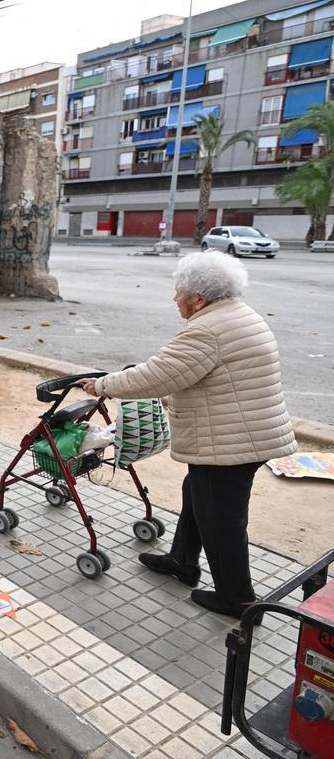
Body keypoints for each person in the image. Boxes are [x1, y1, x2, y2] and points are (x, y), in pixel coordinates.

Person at [79, 251, 296, 619]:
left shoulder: (206, 329)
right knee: (197, 495)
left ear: (199, 298)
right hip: (244, 433)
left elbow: (158, 375)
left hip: (231, 441)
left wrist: (102, 385)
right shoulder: (238, 314)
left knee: (222, 520)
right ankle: (183, 561)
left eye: (179, 291)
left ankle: (239, 600)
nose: (174, 298)